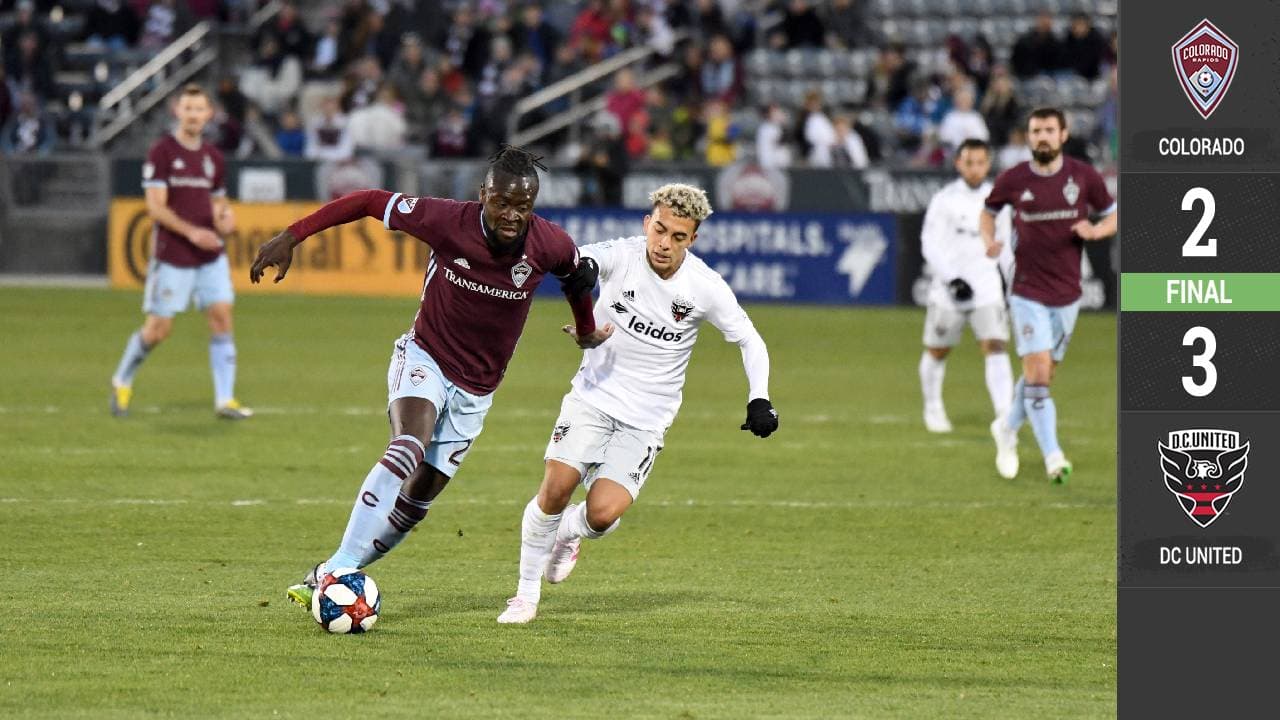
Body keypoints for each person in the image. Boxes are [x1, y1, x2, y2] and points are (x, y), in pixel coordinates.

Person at [246, 145, 611, 609]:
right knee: (408, 445)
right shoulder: (446, 220)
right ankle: (339, 571)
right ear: (483, 194)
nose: (512, 215)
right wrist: (292, 235)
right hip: (426, 357)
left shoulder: (549, 243)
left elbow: (578, 278)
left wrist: (585, 330)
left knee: (415, 504)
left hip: (477, 390)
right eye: (502, 202)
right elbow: (367, 201)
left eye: (523, 205)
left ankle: (327, 573)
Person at [495, 184, 779, 624]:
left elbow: (750, 340)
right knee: (555, 489)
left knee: (602, 515)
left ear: (693, 239)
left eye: (678, 237)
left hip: (646, 419)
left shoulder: (704, 287)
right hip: (592, 397)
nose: (664, 243)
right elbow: (583, 258)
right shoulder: (623, 255)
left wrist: (759, 398)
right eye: (659, 230)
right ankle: (524, 596)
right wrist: (583, 270)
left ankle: (569, 532)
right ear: (647, 223)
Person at [982, 108, 1116, 482]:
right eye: (1036, 130)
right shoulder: (1014, 179)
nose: (1042, 136)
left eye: (1049, 130)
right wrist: (988, 239)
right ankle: (1053, 457)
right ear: (1029, 136)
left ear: (1063, 134)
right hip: (1027, 290)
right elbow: (987, 212)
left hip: (1068, 294)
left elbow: (1114, 213)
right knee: (1038, 373)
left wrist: (1097, 231)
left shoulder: (1083, 176)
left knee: (1043, 375)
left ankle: (1006, 427)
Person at [109, 84, 248, 419]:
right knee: (159, 329)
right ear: (177, 111)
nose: (193, 115)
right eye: (188, 109)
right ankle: (122, 380)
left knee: (221, 316)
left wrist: (225, 218)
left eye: (199, 109)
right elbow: (155, 208)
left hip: (210, 255)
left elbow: (218, 201)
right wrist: (193, 233)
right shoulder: (162, 152)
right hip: (173, 255)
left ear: (209, 114)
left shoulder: (213, 157)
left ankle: (225, 400)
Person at [918, 139, 1012, 434]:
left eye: (980, 162)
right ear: (958, 164)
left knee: (995, 345)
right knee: (938, 350)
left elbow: (1005, 245)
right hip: (950, 291)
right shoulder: (944, 200)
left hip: (986, 288)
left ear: (988, 164)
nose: (975, 168)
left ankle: (1005, 415)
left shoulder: (998, 201)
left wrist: (1011, 282)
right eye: (969, 162)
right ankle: (933, 407)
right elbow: (929, 243)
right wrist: (951, 279)